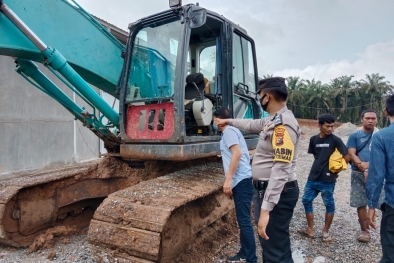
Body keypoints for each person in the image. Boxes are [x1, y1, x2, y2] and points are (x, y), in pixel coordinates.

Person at [215, 77, 300, 263]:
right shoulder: (274, 119)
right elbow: (252, 124)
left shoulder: (283, 125)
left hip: (277, 192)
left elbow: (281, 169)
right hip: (272, 190)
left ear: (267, 96)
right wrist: (229, 120)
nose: (260, 99)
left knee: (274, 251)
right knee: (274, 246)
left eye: (260, 96)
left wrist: (266, 210)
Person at [213, 107, 257, 263]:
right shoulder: (231, 132)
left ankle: (251, 258)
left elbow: (237, 153)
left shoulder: (229, 132)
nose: (213, 123)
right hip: (242, 179)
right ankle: (245, 253)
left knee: (244, 220)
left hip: (242, 180)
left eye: (214, 119)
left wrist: (228, 179)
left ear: (218, 120)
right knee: (242, 219)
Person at [298, 114, 348, 242]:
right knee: (306, 200)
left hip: (328, 180)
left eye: (332, 126)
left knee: (329, 204)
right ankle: (310, 229)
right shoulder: (313, 139)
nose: (330, 129)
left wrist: (337, 171)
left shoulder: (336, 140)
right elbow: (316, 155)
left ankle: (325, 231)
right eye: (327, 126)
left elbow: (346, 156)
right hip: (313, 177)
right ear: (319, 125)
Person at [366, 94, 394, 263]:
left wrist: (372, 205)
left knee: (390, 254)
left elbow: (376, 174)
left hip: (392, 203)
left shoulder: (382, 136)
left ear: (385, 112)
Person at [347, 109, 379, 242]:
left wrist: (369, 165)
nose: (370, 120)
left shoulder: (380, 135)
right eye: (367, 118)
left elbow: (383, 155)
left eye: (373, 118)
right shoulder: (354, 135)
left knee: (380, 202)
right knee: (361, 203)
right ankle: (365, 231)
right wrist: (362, 167)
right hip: (357, 173)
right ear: (362, 119)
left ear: (376, 120)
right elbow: (351, 153)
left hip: (377, 173)